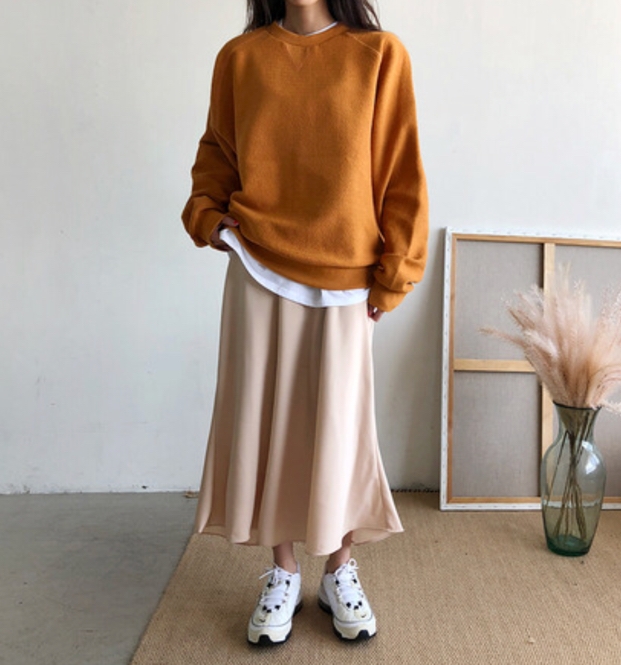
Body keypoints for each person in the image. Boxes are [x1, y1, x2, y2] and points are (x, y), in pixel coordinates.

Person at [181, 0, 428, 647]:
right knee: (267, 423)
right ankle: (284, 570)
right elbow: (217, 155)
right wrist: (209, 218)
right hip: (259, 267)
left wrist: (394, 273)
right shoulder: (241, 58)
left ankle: (339, 568)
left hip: (348, 276)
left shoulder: (379, 55)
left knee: (339, 427)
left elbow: (401, 172)